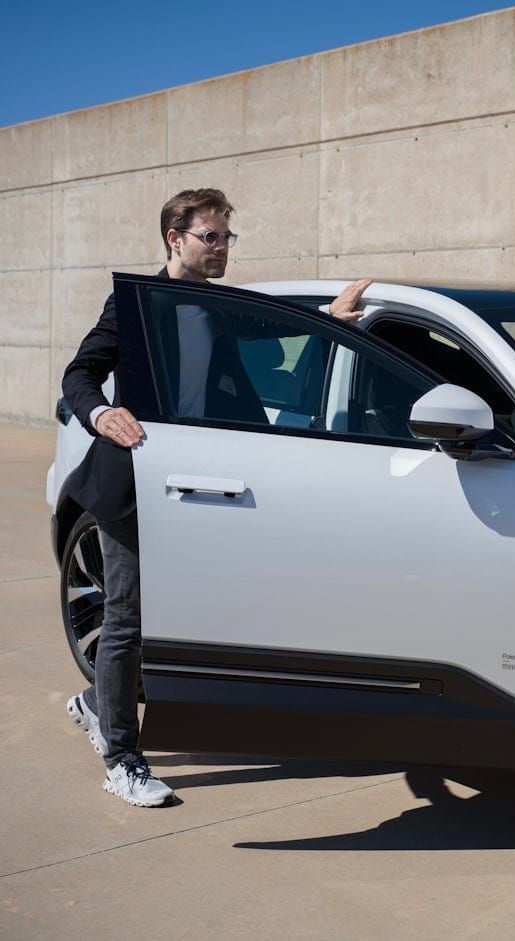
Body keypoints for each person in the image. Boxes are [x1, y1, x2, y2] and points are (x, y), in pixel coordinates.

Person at [63, 188, 371, 807]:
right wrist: (100, 414)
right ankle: (122, 757)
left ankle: (99, 700)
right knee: (126, 617)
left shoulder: (218, 305)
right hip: (134, 484)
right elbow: (80, 373)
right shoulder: (135, 307)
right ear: (176, 240)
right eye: (212, 236)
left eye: (228, 236)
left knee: (198, 613)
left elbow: (275, 327)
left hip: (200, 489)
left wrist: (330, 322)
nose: (223, 247)